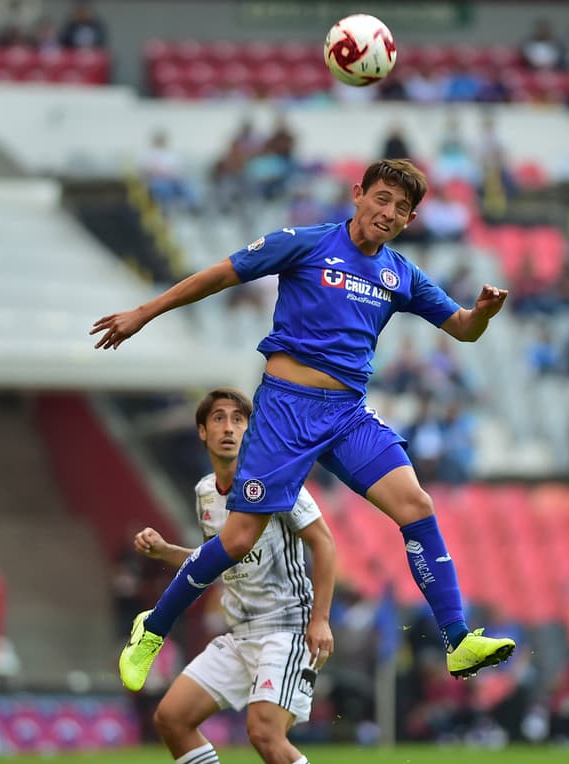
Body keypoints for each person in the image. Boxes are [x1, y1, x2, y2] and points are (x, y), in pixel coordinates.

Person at [92, 158, 516, 690]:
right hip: (286, 412)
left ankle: (457, 641)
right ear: (358, 194)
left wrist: (481, 315)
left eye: (402, 209)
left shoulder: (400, 274)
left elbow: (461, 328)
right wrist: (144, 312)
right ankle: (151, 630)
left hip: (346, 415)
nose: (389, 213)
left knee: (417, 505)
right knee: (239, 539)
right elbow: (222, 273)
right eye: (382, 199)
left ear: (409, 221)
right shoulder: (306, 242)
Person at [137, 388, 344, 764]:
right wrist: (167, 551)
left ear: (250, 431)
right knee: (172, 718)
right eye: (219, 419)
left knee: (264, 732)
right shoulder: (206, 494)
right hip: (240, 634)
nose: (229, 428)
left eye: (238, 420)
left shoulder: (278, 478)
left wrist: (321, 620)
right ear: (203, 432)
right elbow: (216, 560)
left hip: (288, 629)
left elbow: (325, 544)